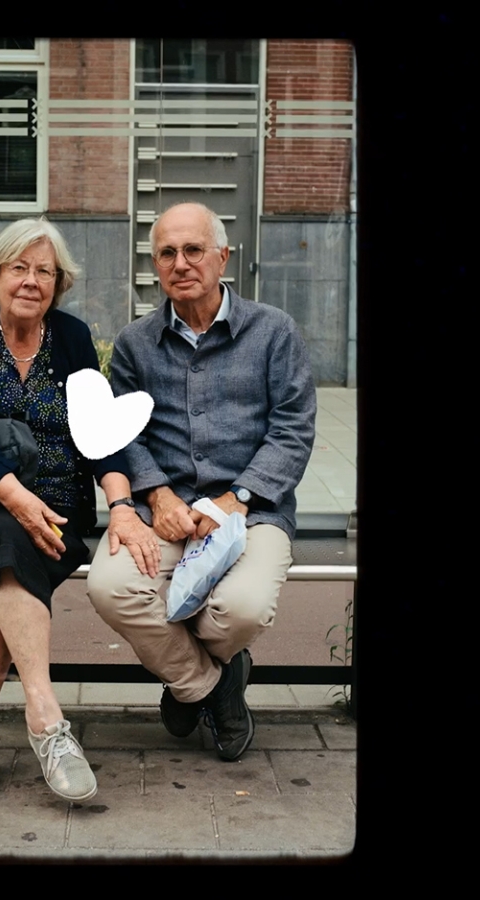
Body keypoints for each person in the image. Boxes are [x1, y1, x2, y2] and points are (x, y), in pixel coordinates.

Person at [0, 218, 160, 807]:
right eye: (19, 267)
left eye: (44, 271)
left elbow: (99, 431)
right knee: (4, 543)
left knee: (7, 562)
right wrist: (12, 493)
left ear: (59, 282)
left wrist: (122, 506)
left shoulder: (72, 337)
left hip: (58, 513)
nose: (31, 280)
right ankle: (48, 722)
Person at [87, 202, 316, 761]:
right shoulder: (136, 343)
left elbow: (293, 429)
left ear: (222, 257)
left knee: (240, 608)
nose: (181, 263)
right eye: (167, 253)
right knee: (110, 587)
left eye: (193, 250)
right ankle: (213, 685)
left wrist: (238, 497)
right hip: (163, 513)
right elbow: (122, 434)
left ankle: (193, 678)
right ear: (154, 264)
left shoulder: (274, 332)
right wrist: (158, 494)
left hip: (252, 509)